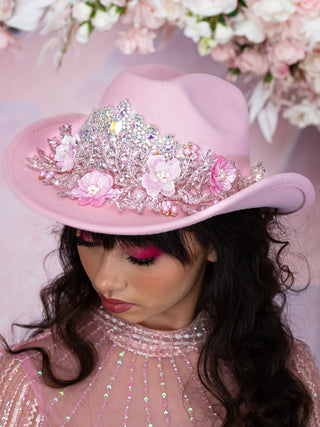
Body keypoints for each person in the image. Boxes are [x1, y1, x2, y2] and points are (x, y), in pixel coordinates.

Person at [1, 64, 319, 427]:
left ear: (216, 245)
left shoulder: (281, 378)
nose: (105, 280)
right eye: (87, 241)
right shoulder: (30, 379)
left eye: (140, 256)